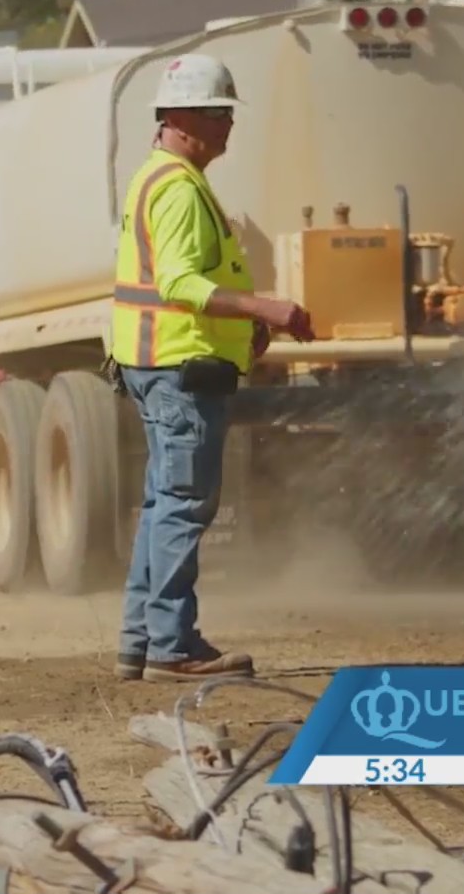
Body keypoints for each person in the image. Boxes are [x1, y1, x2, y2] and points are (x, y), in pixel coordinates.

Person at [105, 53, 316, 684]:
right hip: (179, 367)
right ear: (181, 118)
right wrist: (267, 308)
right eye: (219, 113)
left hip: (162, 361)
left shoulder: (162, 177)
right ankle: (172, 645)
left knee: (164, 501)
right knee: (183, 503)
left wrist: (243, 327)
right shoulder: (175, 187)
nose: (229, 125)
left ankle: (142, 641)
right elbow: (178, 283)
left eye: (228, 113)